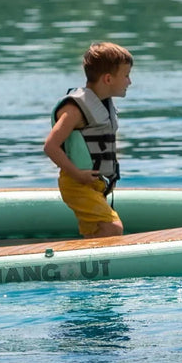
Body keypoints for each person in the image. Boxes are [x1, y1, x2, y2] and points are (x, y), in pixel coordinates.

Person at [44, 41, 133, 238]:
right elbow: (51, 146)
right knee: (113, 228)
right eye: (126, 76)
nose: (129, 82)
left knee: (98, 233)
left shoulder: (103, 105)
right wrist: (77, 174)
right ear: (108, 79)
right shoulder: (76, 108)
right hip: (77, 183)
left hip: (94, 184)